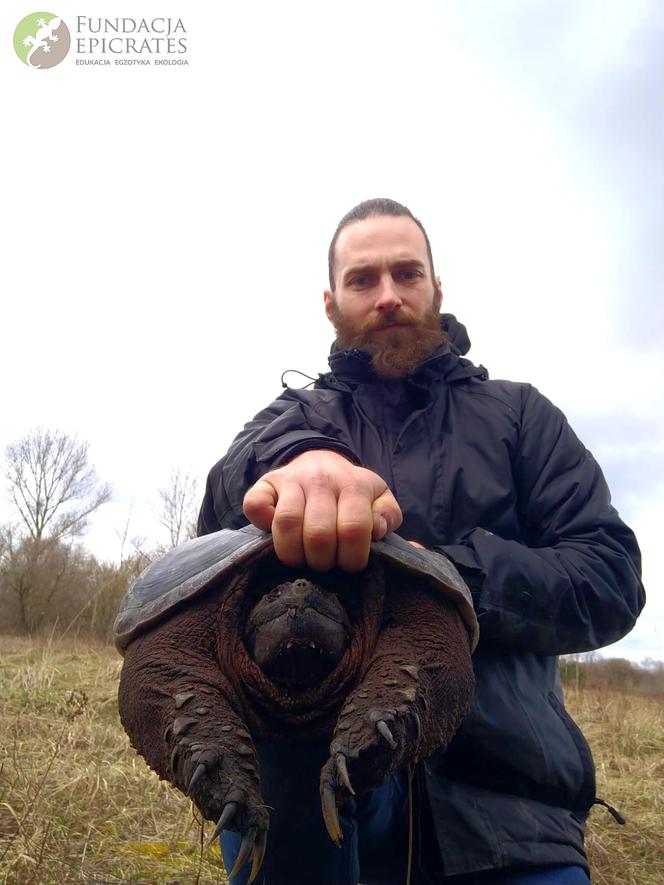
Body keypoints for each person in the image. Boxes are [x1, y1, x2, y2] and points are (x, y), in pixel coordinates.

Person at [197, 198, 644, 884]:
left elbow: (610, 576)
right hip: (310, 797)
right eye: (363, 278)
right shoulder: (291, 417)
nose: (388, 296)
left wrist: (437, 575)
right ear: (330, 301)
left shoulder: (521, 417)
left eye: (407, 273)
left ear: (438, 286)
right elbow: (222, 508)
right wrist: (303, 461)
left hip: (509, 809)